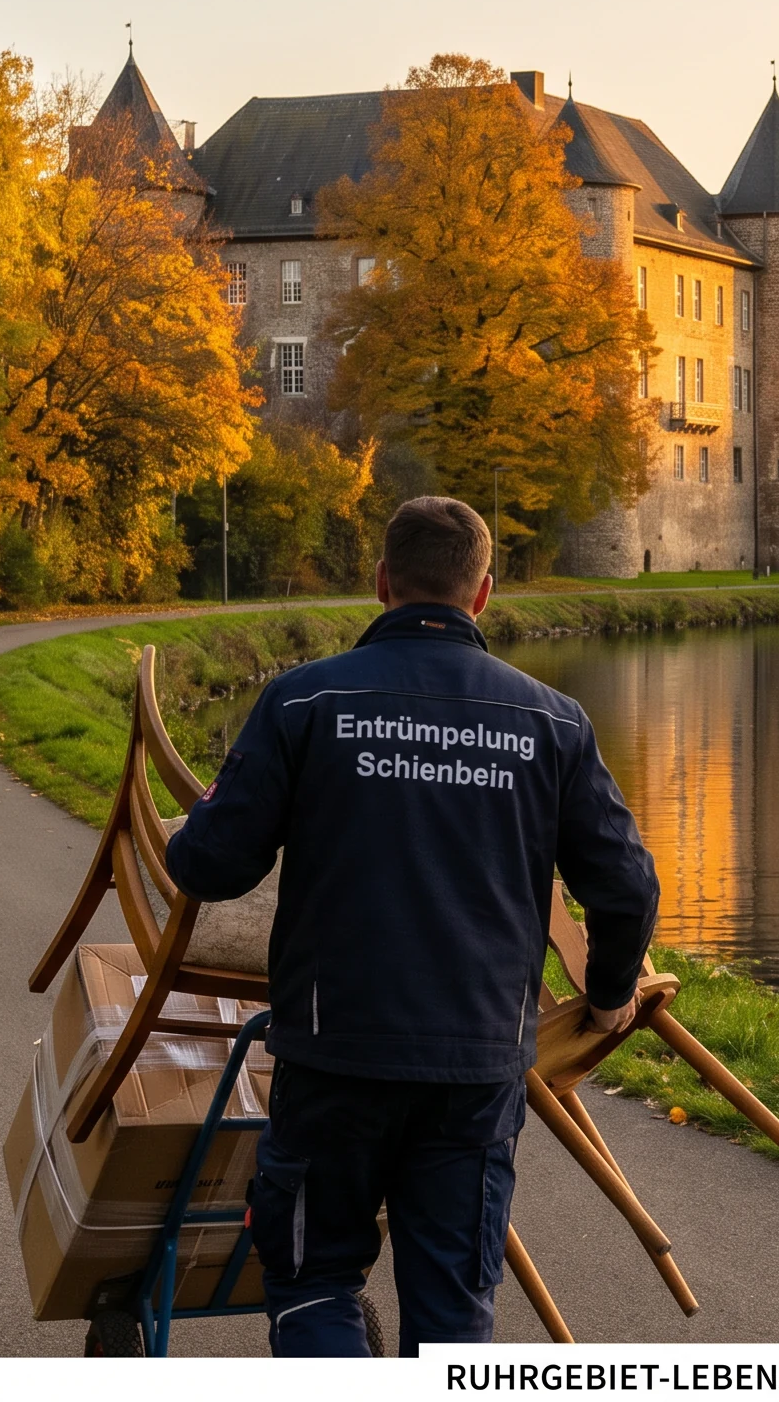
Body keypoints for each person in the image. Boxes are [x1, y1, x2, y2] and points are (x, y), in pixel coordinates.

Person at [164, 497, 660, 1356]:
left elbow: (209, 866)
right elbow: (627, 885)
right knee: (453, 1318)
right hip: (476, 1068)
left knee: (313, 1283)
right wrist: (612, 991)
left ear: (381, 581)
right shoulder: (554, 722)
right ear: (484, 593)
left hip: (335, 1055)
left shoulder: (306, 700)